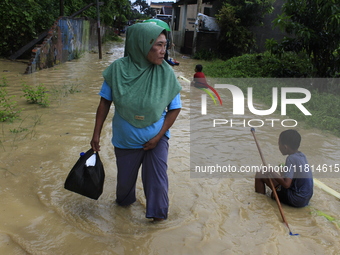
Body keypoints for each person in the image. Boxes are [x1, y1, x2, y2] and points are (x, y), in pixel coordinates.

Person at [90, 22, 182, 221]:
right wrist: (96, 133)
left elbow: (174, 108)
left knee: (157, 183)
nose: (163, 51)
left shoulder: (165, 72)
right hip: (126, 140)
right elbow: (105, 102)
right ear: (142, 44)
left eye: (165, 45)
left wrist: (158, 137)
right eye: (158, 45)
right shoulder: (117, 70)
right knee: (124, 190)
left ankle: (157, 225)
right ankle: (122, 221)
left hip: (156, 140)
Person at [255, 129, 313, 207]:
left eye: (279, 144)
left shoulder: (291, 159)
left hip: (295, 199)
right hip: (305, 199)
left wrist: (271, 171)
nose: (279, 146)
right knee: (281, 172)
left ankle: (259, 201)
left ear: (285, 147)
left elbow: (286, 184)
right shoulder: (302, 156)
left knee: (260, 173)